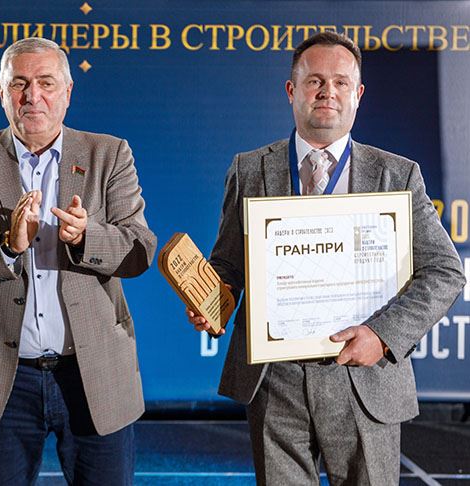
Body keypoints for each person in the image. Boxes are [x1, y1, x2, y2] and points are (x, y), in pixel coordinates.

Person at [187, 32, 465, 485]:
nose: (327, 92)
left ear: (358, 94)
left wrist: (383, 335)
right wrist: (214, 298)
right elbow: (230, 265)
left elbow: (445, 270)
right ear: (291, 90)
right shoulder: (249, 169)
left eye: (340, 82)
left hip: (364, 375)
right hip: (274, 380)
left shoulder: (397, 174)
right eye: (314, 80)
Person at [0, 37, 155, 485]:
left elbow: (139, 250)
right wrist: (6, 246)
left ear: (68, 92)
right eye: (19, 84)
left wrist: (87, 237)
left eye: (46, 83)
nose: (33, 95)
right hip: (3, 381)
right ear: (2, 93)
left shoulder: (109, 154)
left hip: (93, 375)